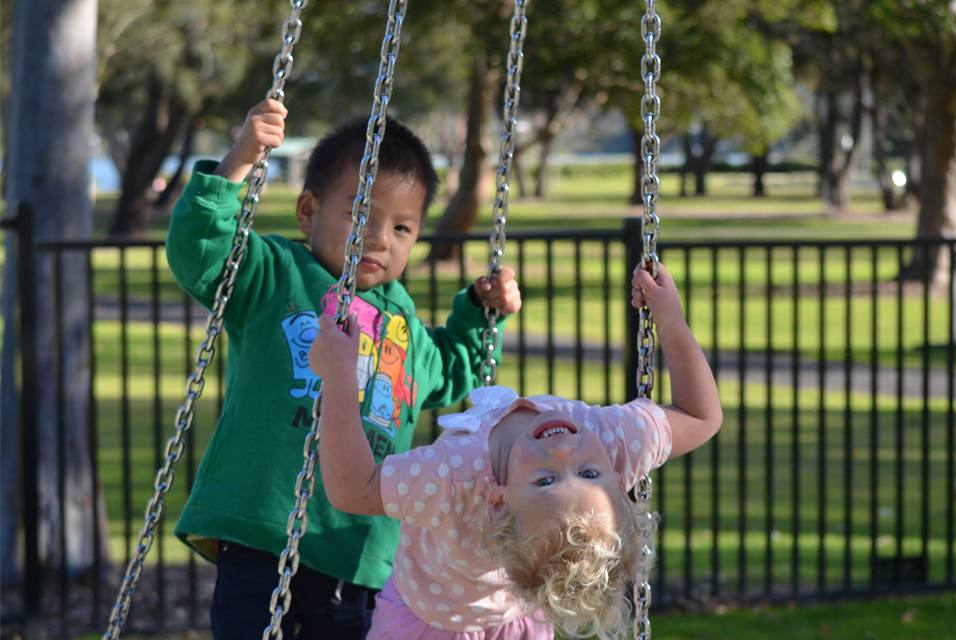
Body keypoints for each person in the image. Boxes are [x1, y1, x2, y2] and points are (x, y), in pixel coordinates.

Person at [166, 98, 522, 640]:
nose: (380, 237)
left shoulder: (401, 324)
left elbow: (454, 372)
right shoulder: (274, 275)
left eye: (402, 228)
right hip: (262, 529)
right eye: (362, 214)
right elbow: (202, 250)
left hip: (358, 548)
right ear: (308, 211)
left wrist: (480, 308)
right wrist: (239, 159)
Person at [309, 261, 723, 640]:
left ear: (498, 502)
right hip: (484, 613)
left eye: (545, 481)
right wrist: (670, 318)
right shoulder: (610, 441)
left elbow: (353, 488)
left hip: (427, 624)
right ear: (619, 477)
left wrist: (341, 373)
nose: (564, 453)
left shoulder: (455, 477)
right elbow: (701, 416)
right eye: (589, 474)